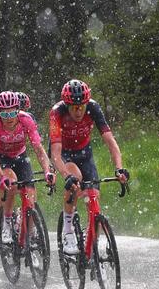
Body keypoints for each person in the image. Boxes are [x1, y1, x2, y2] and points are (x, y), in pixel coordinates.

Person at [49, 79, 129, 254]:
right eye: (74, 107)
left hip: (85, 153)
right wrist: (64, 174)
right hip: (63, 154)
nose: (78, 111)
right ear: (67, 105)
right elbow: (55, 152)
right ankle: (68, 231)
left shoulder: (93, 107)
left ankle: (91, 243)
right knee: (75, 179)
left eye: (81, 106)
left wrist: (119, 168)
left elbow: (111, 142)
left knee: (93, 197)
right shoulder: (57, 112)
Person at [0, 91, 55, 244]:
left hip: (20, 156)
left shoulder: (26, 120)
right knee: (11, 183)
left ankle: (30, 232)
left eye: (12, 113)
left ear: (18, 110)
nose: (9, 118)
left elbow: (39, 149)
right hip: (1, 158)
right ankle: (7, 221)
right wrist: (1, 176)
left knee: (30, 195)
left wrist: (47, 170)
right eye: (4, 114)